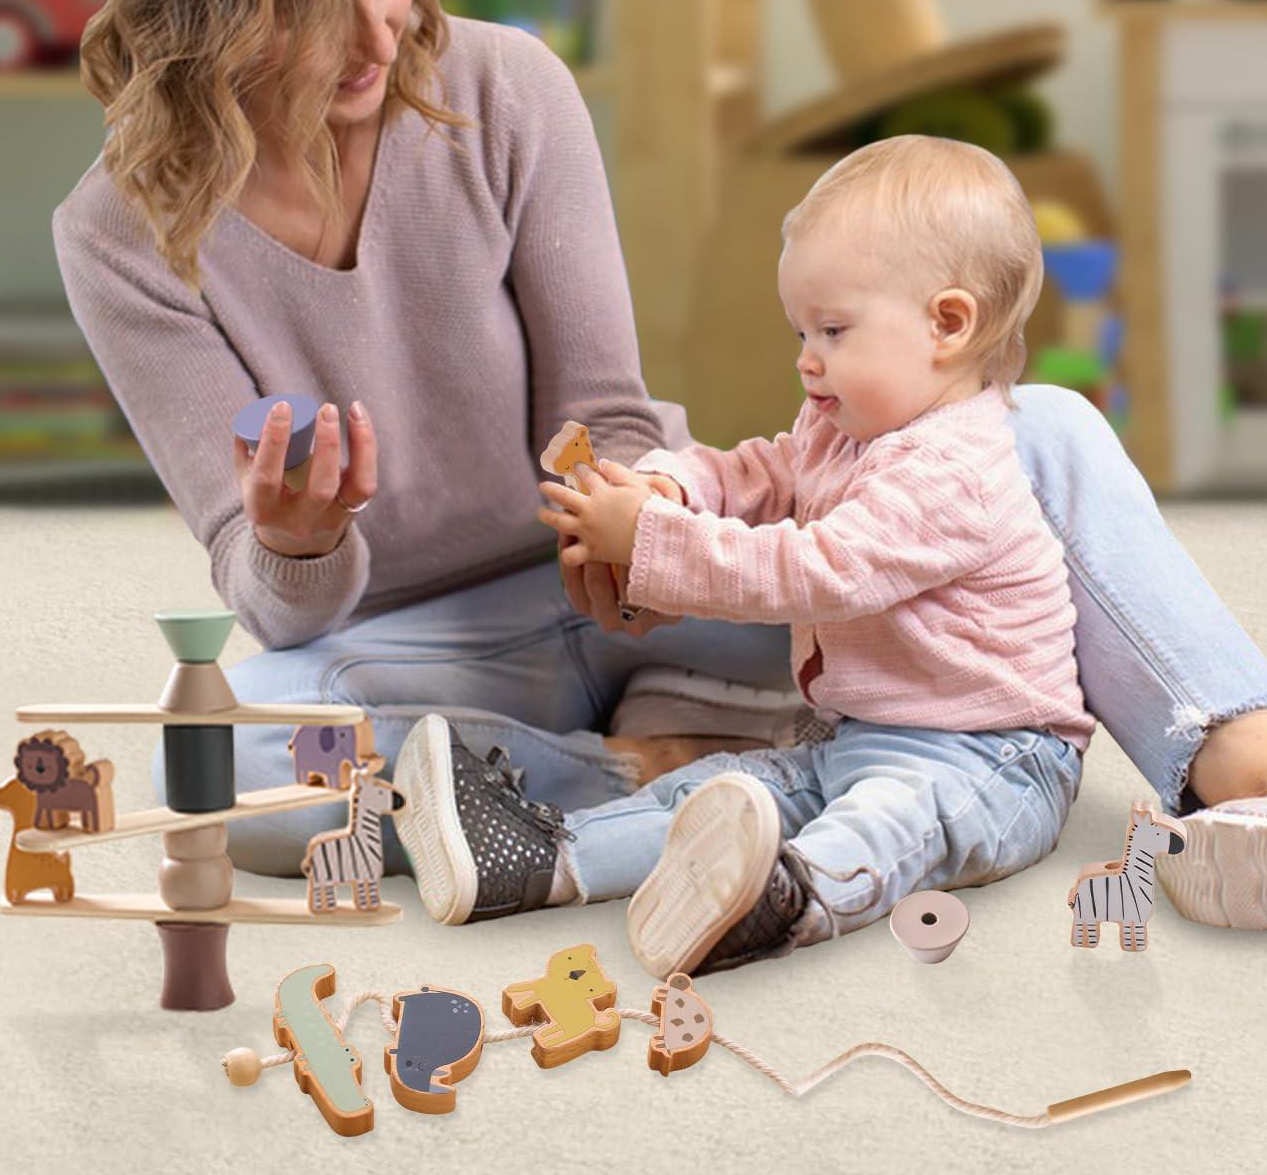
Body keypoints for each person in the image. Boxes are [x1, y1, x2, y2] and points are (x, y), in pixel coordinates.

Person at [53, 0, 1267, 952]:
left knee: (1034, 438)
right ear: (210, 7)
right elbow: (278, 606)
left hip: (654, 582)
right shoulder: (121, 234)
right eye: (318, 1)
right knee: (222, 760)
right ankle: (659, 769)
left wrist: (644, 521)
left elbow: (607, 410)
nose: (381, 32)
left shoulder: (502, 90)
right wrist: (299, 543)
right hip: (428, 650)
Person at [397, 135, 1095, 975]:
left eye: (833, 330)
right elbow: (762, 472)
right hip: (862, 731)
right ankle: (545, 858)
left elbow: (816, 570)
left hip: (995, 756)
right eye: (802, 329)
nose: (806, 359)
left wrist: (651, 544)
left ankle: (790, 898)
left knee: (895, 816)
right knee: (722, 796)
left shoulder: (954, 470)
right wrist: (669, 491)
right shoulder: (847, 424)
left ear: (948, 324)